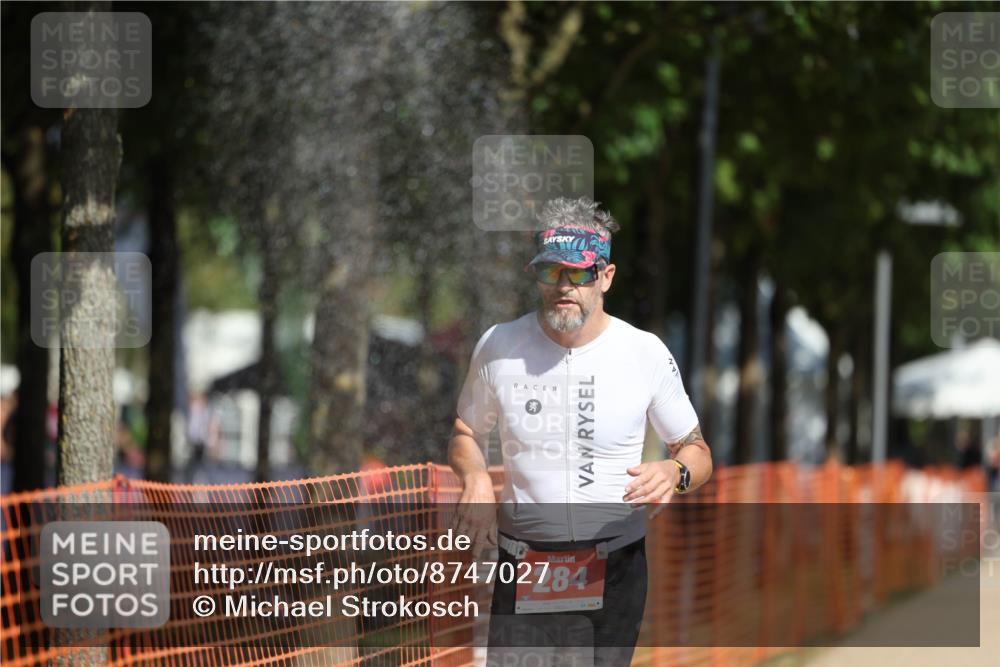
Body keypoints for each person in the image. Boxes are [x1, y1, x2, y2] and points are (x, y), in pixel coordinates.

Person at [448, 197, 713, 666]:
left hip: (614, 565)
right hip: (524, 562)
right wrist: (472, 478)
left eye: (578, 273)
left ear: (606, 277)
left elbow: (695, 449)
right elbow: (465, 431)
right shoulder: (500, 345)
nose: (563, 287)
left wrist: (674, 472)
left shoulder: (643, 352)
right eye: (551, 273)